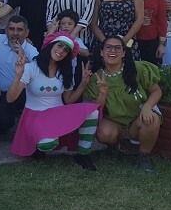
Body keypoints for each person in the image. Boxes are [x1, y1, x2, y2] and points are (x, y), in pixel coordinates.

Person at [8, 32, 101, 170]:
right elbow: (10, 99)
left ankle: (83, 154)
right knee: (47, 144)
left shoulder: (66, 71)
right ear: (51, 45)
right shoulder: (31, 68)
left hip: (58, 114)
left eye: (66, 50)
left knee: (92, 112)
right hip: (35, 115)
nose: (61, 51)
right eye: (59, 46)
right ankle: (39, 143)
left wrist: (83, 84)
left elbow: (68, 100)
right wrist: (18, 75)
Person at [83, 36, 163, 172]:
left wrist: (147, 107)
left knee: (152, 119)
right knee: (103, 133)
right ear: (101, 52)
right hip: (115, 121)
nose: (112, 51)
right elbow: (97, 109)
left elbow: (156, 91)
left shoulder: (137, 68)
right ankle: (114, 147)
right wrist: (103, 93)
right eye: (108, 47)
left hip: (138, 118)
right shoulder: (97, 77)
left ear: (124, 53)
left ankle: (144, 155)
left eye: (117, 48)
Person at [0, 16, 38, 136]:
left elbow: (39, 70)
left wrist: (23, 56)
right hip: (1, 93)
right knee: (5, 123)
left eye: (19, 29)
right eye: (12, 29)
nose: (15, 33)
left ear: (26, 32)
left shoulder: (31, 50)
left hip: (22, 93)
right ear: (6, 30)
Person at [129, 0, 168, 65]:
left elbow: (162, 20)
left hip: (151, 40)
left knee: (150, 71)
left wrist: (162, 44)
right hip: (130, 38)